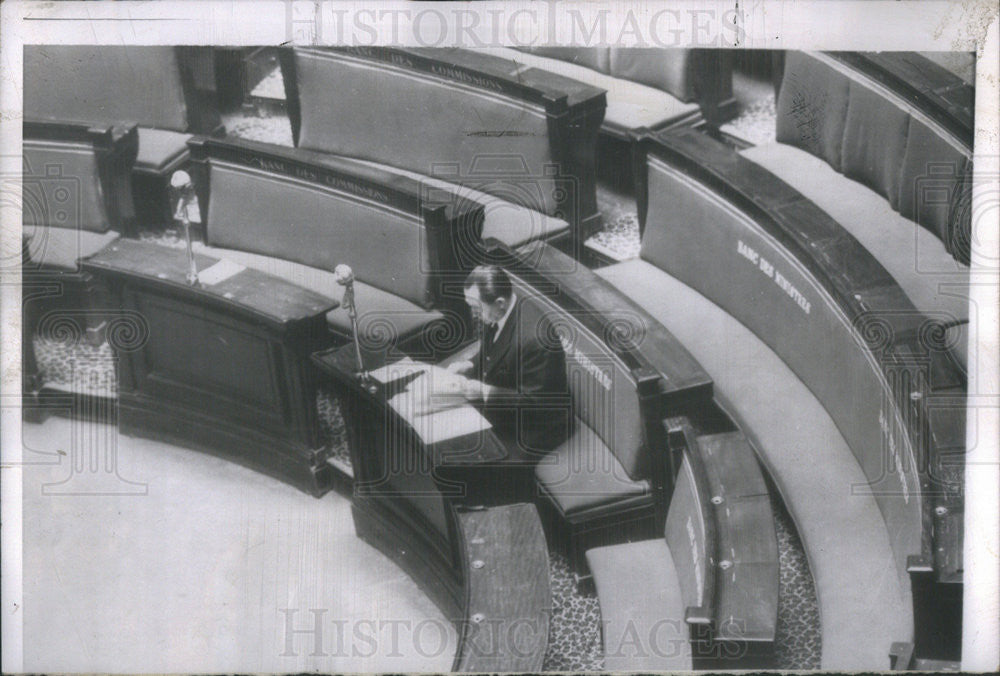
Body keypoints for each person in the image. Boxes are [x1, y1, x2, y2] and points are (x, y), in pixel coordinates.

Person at [432, 264, 572, 462]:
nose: (473, 313)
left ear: (499, 303)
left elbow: (534, 404)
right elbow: (493, 352)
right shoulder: (497, 312)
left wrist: (484, 391)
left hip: (536, 425)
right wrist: (470, 365)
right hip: (507, 403)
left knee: (467, 458)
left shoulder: (536, 340)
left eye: (475, 307)